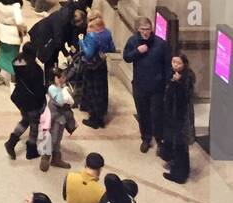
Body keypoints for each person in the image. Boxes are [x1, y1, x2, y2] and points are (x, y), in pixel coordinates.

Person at [122, 16, 171, 154]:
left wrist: (166, 82)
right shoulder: (133, 41)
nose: (145, 32)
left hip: (157, 87)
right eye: (143, 29)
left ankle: (160, 139)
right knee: (143, 114)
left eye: (148, 29)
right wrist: (137, 51)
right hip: (139, 85)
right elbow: (126, 57)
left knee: (157, 114)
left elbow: (167, 65)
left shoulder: (160, 44)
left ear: (152, 29)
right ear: (138, 29)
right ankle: (146, 138)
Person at [75, 12, 116, 128]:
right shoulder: (107, 32)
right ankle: (101, 117)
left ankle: (94, 119)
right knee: (102, 91)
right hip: (102, 65)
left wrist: (82, 42)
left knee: (92, 92)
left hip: (92, 66)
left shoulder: (92, 36)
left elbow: (88, 54)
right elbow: (112, 48)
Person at [5, 44, 46, 160]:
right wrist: (46, 89)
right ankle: (31, 149)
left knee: (25, 120)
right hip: (32, 102)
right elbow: (38, 91)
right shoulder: (35, 70)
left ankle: (11, 142)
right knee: (33, 126)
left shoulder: (17, 62)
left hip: (20, 98)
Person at [162, 51, 196, 184]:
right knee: (174, 143)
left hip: (181, 117)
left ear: (184, 64)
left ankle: (179, 174)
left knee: (181, 146)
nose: (175, 65)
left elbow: (186, 96)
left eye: (178, 63)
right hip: (171, 115)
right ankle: (175, 165)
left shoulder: (187, 77)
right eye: (173, 62)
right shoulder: (172, 74)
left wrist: (178, 82)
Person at [38, 68, 75, 172]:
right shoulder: (52, 88)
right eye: (62, 77)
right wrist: (63, 91)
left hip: (61, 117)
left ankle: (56, 158)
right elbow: (60, 101)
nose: (64, 78)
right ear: (55, 78)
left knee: (58, 137)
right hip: (53, 118)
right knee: (51, 138)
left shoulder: (60, 87)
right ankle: (45, 157)